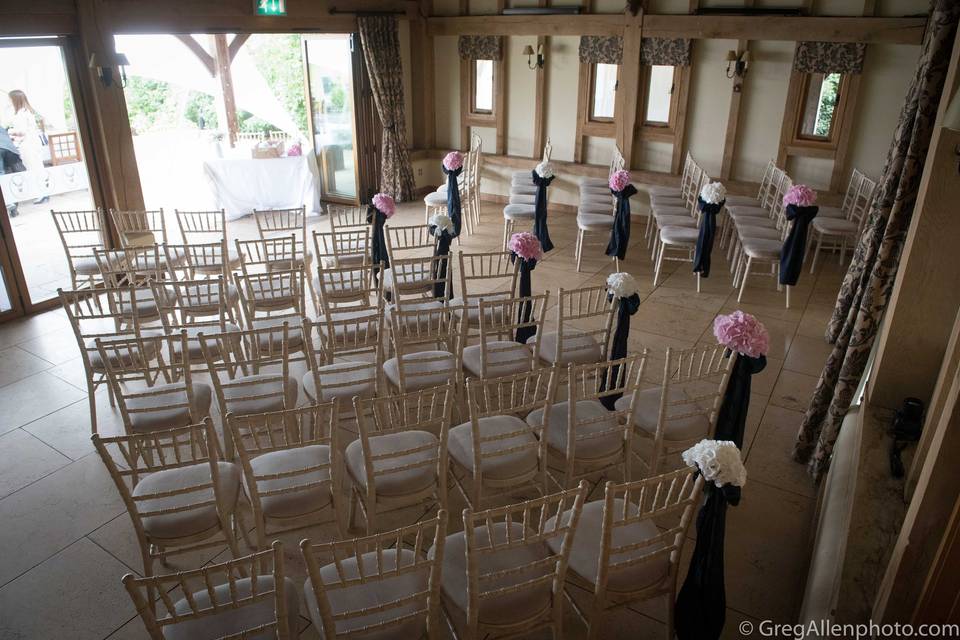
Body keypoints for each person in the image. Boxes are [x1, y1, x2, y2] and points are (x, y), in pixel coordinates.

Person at [7, 90, 47, 204]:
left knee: (34, 168)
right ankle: (42, 192)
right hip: (32, 144)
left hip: (29, 145)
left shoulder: (22, 114)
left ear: (15, 100)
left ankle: (41, 193)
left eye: (10, 99)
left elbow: (22, 131)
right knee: (37, 167)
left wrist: (10, 131)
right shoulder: (26, 112)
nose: (9, 102)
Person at [0, 127, 25, 217]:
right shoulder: (2, 128)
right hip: (11, 151)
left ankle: (9, 204)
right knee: (11, 178)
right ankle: (13, 208)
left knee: (2, 177)